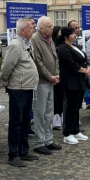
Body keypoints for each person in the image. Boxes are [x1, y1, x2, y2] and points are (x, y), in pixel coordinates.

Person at [0, 18, 39, 167]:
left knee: (25, 121)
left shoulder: (27, 44)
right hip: (18, 88)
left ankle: (24, 150)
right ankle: (13, 154)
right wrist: (4, 84)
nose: (33, 29)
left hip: (27, 87)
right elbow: (6, 68)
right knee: (16, 122)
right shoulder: (15, 45)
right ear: (22, 30)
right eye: (31, 27)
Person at [30, 16, 62, 155]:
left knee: (49, 112)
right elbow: (37, 61)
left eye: (52, 25)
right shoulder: (35, 39)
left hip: (51, 80)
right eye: (49, 26)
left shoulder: (50, 40)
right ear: (41, 28)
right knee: (40, 113)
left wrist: (57, 74)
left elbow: (55, 58)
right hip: (42, 81)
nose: (52, 28)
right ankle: (39, 143)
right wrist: (49, 75)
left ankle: (48, 140)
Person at [56, 27, 90, 145]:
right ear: (66, 36)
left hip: (80, 81)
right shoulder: (63, 48)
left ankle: (75, 130)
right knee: (71, 108)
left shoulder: (75, 47)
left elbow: (84, 60)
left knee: (77, 107)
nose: (75, 35)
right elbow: (71, 64)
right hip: (71, 81)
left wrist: (88, 68)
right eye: (72, 34)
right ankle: (67, 133)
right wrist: (84, 70)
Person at [51, 25, 64, 128]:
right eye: (60, 32)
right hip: (55, 74)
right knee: (57, 97)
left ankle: (61, 116)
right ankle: (56, 119)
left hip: (62, 73)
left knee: (62, 96)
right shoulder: (54, 44)